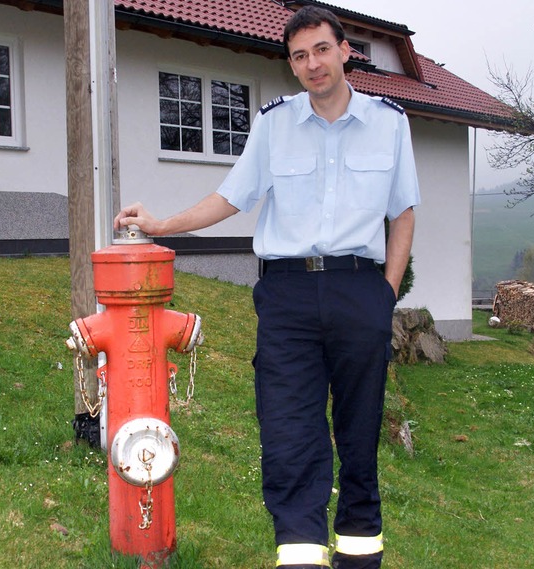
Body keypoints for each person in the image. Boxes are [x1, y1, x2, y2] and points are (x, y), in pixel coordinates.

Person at [115, 6, 420, 568]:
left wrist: (386, 293)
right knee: (288, 431)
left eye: (321, 50)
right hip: (287, 298)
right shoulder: (274, 124)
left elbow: (402, 213)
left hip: (360, 292)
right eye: (300, 56)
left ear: (345, 50)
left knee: (358, 433)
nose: (312, 64)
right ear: (292, 65)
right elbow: (230, 197)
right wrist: (160, 224)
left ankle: (358, 553)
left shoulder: (389, 122)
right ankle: (300, 554)